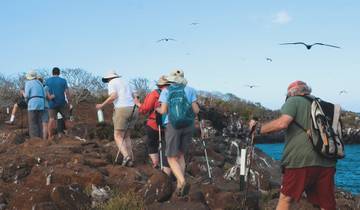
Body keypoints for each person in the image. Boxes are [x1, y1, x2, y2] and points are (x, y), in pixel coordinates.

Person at [249, 80, 336, 210]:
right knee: (325, 204)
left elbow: (282, 123)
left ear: (291, 93)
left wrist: (258, 129)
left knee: (286, 199)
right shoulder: (321, 105)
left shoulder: (293, 100)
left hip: (300, 161)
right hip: (327, 160)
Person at [156, 69, 200, 197]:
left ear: (172, 79)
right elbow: (196, 110)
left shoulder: (166, 91)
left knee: (170, 157)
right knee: (180, 155)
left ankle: (182, 181)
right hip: (188, 125)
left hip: (174, 125)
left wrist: (157, 109)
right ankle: (180, 187)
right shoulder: (190, 90)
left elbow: (163, 111)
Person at [96, 71, 138, 167]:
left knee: (118, 135)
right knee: (126, 136)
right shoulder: (126, 82)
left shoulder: (112, 83)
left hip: (122, 109)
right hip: (134, 109)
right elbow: (135, 95)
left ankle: (126, 156)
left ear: (109, 78)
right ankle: (131, 159)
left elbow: (114, 96)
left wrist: (102, 105)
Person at [134, 75, 172, 175]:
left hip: (154, 124)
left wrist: (138, 104)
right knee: (166, 148)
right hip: (171, 125)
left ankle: (156, 165)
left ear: (159, 85)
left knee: (152, 144)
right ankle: (167, 173)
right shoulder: (174, 93)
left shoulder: (155, 94)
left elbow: (145, 109)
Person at [45, 67, 72, 139]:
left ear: (52, 73)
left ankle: (50, 137)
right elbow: (67, 92)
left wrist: (49, 97)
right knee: (67, 119)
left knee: (51, 119)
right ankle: (69, 135)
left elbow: (45, 91)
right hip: (62, 102)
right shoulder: (63, 81)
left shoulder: (48, 81)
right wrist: (69, 103)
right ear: (59, 73)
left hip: (52, 103)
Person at [24, 70, 45, 138]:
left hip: (32, 104)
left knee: (32, 123)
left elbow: (26, 95)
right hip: (41, 104)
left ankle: (34, 140)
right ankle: (40, 139)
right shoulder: (40, 83)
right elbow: (44, 94)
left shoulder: (28, 83)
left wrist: (22, 93)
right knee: (39, 122)